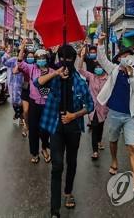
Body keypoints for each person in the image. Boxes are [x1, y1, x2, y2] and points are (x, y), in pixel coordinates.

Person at [35, 45, 93, 217]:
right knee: (57, 165)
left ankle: (68, 192)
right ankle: (55, 209)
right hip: (55, 126)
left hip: (73, 127)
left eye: (69, 58)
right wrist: (55, 74)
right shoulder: (53, 79)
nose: (65, 61)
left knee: (72, 162)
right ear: (58, 59)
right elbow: (37, 85)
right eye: (62, 58)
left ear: (74, 59)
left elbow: (89, 106)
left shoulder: (80, 81)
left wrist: (74, 115)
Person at [96, 33, 134, 194]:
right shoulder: (114, 70)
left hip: (130, 115)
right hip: (115, 113)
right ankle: (114, 160)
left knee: (133, 147)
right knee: (113, 140)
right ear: (119, 60)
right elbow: (102, 59)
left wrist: (131, 75)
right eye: (122, 56)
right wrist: (101, 42)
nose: (126, 58)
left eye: (128, 55)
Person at [17, 40, 52, 164]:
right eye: (38, 58)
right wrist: (22, 48)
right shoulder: (31, 68)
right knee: (33, 129)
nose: (40, 60)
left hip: (47, 105)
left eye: (43, 58)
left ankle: (44, 148)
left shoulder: (52, 71)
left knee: (45, 130)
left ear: (47, 59)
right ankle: (34, 153)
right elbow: (20, 64)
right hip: (33, 103)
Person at [76, 45, 109, 160]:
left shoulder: (108, 79)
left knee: (101, 126)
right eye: (96, 68)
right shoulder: (91, 76)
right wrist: (81, 57)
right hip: (93, 107)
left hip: (104, 108)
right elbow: (80, 69)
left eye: (100, 67)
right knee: (95, 127)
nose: (98, 69)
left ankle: (99, 141)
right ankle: (95, 151)